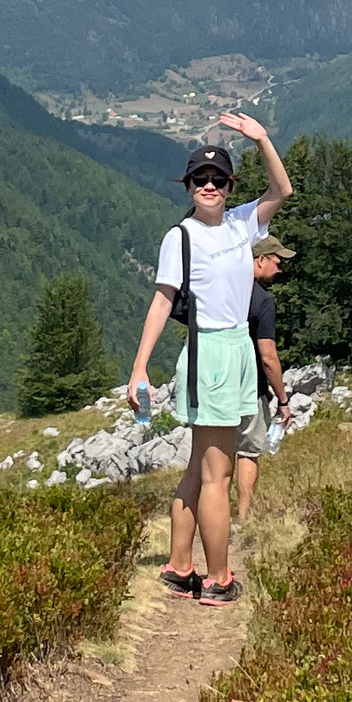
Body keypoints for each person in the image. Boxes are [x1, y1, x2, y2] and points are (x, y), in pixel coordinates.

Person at [133, 113, 291, 608]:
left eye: (217, 179)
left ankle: (180, 567)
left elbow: (282, 190)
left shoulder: (243, 222)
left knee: (197, 467)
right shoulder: (180, 237)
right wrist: (139, 368)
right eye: (199, 179)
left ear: (228, 186)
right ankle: (218, 578)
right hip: (212, 353)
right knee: (217, 476)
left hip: (235, 348)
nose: (208, 186)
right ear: (188, 186)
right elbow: (162, 301)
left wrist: (261, 139)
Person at [235, 234, 293, 526]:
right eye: (276, 261)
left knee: (217, 451)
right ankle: (244, 515)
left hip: (214, 383)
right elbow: (268, 356)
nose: (279, 269)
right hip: (249, 387)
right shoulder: (262, 301)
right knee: (247, 451)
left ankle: (211, 513)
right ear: (260, 260)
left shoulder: (224, 291)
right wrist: (283, 399)